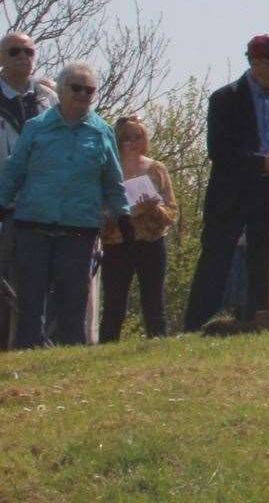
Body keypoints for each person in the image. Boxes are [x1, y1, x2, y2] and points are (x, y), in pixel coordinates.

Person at [0, 63, 128, 347]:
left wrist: (124, 217)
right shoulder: (36, 128)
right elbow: (14, 171)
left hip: (78, 229)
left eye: (89, 90)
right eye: (76, 88)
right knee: (31, 302)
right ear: (61, 89)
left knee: (73, 302)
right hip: (33, 225)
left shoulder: (102, 132)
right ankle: (27, 358)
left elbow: (113, 182)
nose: (83, 94)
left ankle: (72, 361)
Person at [184, 34, 269, 331]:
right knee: (217, 257)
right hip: (231, 193)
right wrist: (261, 162)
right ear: (256, 63)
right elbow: (220, 151)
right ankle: (196, 324)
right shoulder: (225, 98)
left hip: (268, 190)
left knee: (262, 258)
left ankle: (255, 319)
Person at [0, 30, 56, 347]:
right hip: (2, 204)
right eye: (14, 52)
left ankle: (28, 347)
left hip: (38, 206)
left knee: (33, 284)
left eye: (29, 52)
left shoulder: (50, 101)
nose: (23, 57)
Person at [100, 115, 175, 341]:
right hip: (117, 243)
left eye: (138, 136)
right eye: (126, 137)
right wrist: (126, 212)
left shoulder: (156, 169)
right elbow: (100, 210)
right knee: (114, 304)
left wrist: (154, 209)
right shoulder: (108, 170)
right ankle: (106, 348)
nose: (132, 142)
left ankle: (158, 346)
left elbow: (171, 211)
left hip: (151, 243)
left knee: (154, 301)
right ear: (117, 140)